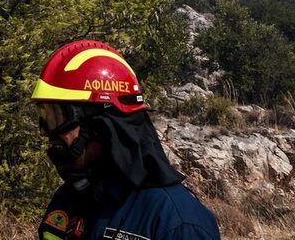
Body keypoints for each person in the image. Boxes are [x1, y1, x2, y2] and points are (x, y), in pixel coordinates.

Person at [32, 40, 220, 240]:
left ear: (101, 125)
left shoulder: (177, 222)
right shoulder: (68, 200)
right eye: (43, 116)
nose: (45, 132)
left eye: (56, 117)